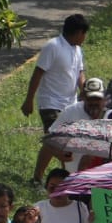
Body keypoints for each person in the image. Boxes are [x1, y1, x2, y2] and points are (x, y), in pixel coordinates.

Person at [22, 13, 88, 184]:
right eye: (84, 34)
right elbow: (38, 73)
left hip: (70, 103)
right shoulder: (53, 47)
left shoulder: (77, 49)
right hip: (50, 102)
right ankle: (37, 178)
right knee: (56, 141)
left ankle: (67, 178)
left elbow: (80, 72)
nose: (85, 38)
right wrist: (28, 100)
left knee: (67, 142)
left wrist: (84, 90)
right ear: (78, 32)